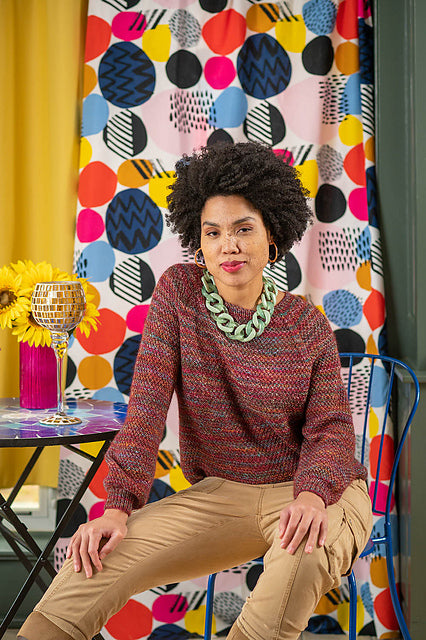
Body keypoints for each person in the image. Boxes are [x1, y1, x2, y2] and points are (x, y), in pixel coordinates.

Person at [19, 142, 372, 640]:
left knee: (304, 553)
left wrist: (313, 495)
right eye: (213, 232)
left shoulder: (306, 325)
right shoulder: (179, 294)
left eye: (243, 229)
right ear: (198, 242)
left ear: (272, 235)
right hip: (224, 495)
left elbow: (331, 430)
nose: (229, 246)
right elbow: (146, 409)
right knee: (93, 561)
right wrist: (117, 507)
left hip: (321, 491)